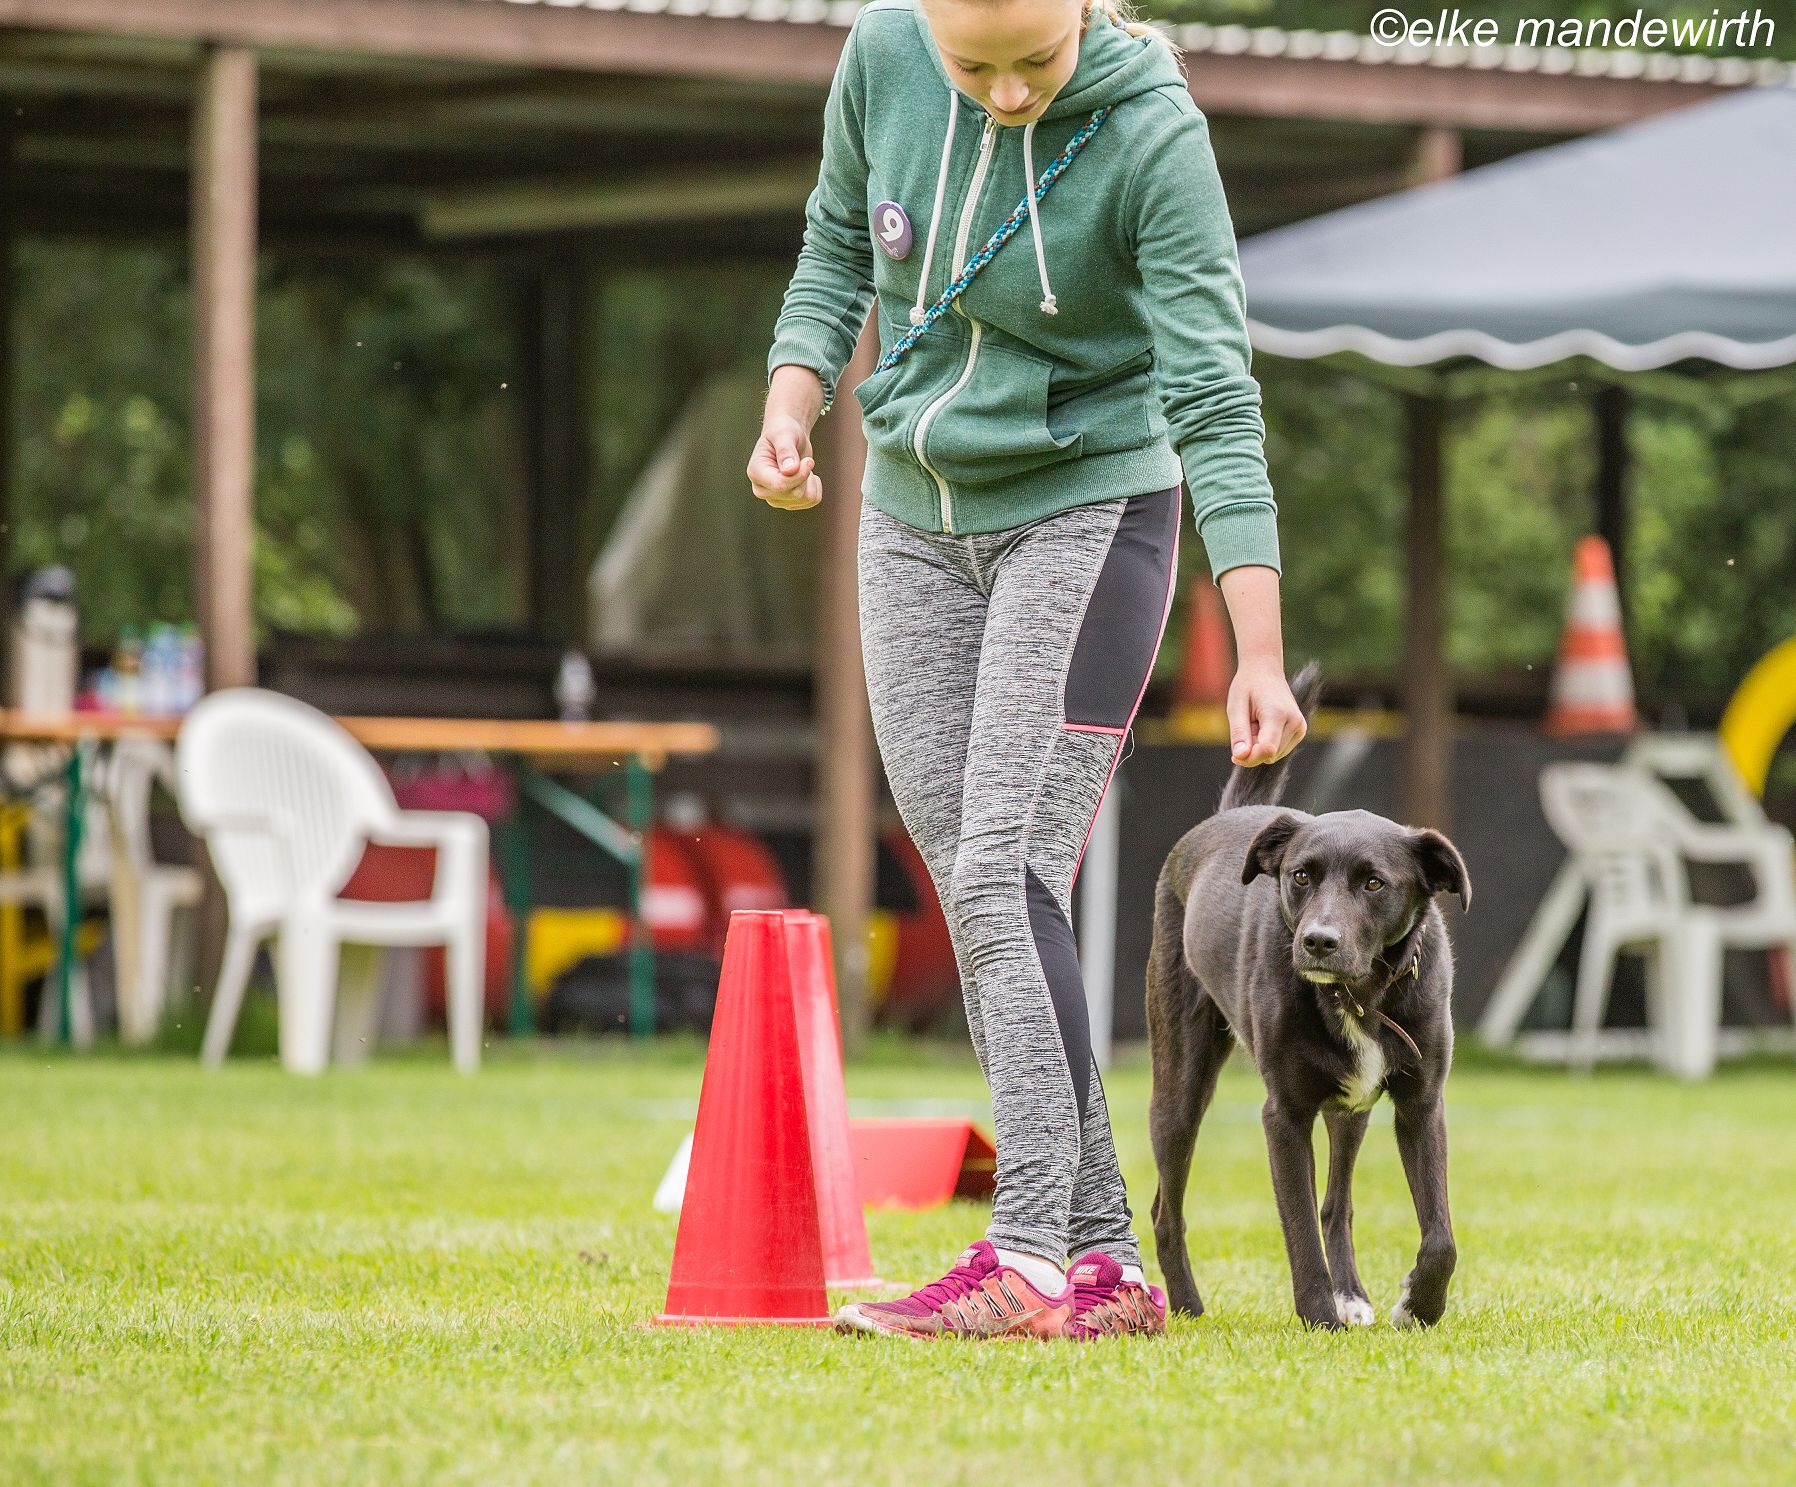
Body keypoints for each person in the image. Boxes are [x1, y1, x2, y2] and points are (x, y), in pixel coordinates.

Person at [746, 0, 1305, 1341]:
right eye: (973, 67)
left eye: (1035, 63)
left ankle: (1030, 1257)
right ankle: (1106, 1259)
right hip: (910, 516)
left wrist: (1259, 647)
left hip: (1088, 511)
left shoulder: (1154, 134)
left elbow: (1214, 394)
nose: (1004, 94)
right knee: (978, 885)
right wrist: (791, 401)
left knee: (1005, 869)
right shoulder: (881, 54)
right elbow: (838, 245)